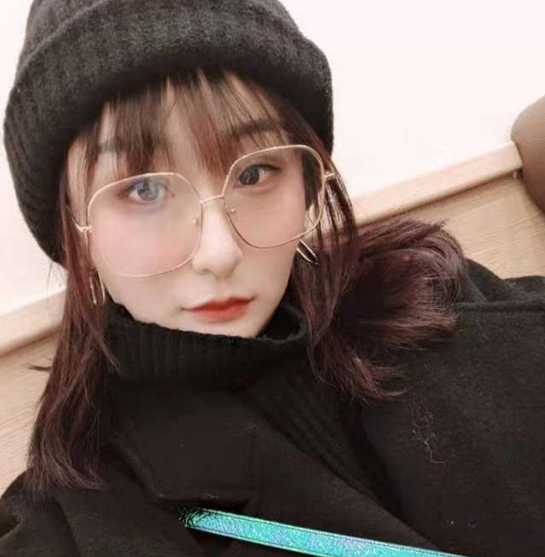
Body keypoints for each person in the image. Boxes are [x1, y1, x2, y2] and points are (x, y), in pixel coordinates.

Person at [1, 1, 544, 556]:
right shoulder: (68, 525)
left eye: (255, 173)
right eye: (144, 190)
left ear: (306, 180)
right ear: (75, 230)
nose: (219, 252)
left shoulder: (443, 296)